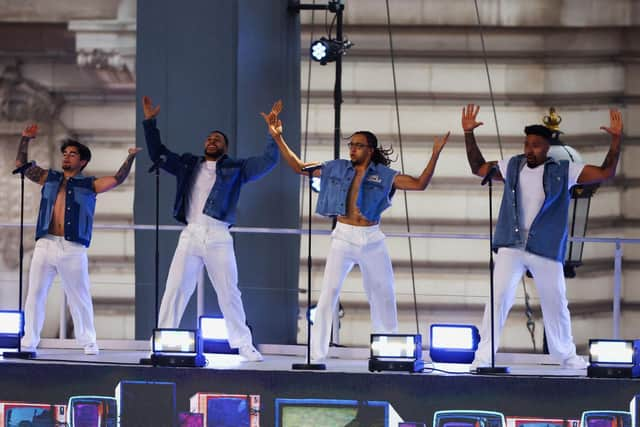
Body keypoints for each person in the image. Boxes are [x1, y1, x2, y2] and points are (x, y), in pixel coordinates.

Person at [261, 100, 450, 363]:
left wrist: (435, 154)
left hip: (372, 238)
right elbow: (298, 167)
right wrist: (278, 137)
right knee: (327, 295)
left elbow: (419, 184)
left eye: (358, 145)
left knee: (383, 293)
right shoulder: (335, 167)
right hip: (343, 236)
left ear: (370, 150)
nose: (352, 149)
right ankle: (316, 356)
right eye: (351, 144)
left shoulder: (384, 174)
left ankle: (387, 353)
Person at [461, 104, 623, 369]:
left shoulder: (564, 169)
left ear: (547, 147)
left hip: (544, 247)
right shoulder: (512, 166)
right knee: (498, 298)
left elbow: (606, 172)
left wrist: (615, 139)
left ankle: (567, 356)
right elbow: (478, 167)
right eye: (527, 144)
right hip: (511, 245)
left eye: (535, 145)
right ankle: (484, 356)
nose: (529, 149)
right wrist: (469, 133)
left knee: (556, 301)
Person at [141, 96, 280, 362]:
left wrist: (272, 134)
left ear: (225, 147)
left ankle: (243, 345)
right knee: (175, 289)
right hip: (191, 233)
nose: (212, 141)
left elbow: (267, 162)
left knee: (229, 291)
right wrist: (150, 122)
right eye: (209, 138)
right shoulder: (188, 163)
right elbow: (157, 153)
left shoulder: (236, 168)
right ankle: (159, 341)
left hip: (218, 234)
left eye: (217, 139)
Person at [16, 123, 142, 355]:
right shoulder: (50, 177)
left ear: (82, 161)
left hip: (72, 247)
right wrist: (25, 139)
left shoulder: (89, 184)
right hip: (46, 243)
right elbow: (22, 166)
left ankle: (88, 341)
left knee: (79, 296)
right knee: (35, 294)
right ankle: (29, 340)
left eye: (72, 154)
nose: (67, 157)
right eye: (65, 153)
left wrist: (130, 157)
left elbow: (117, 179)